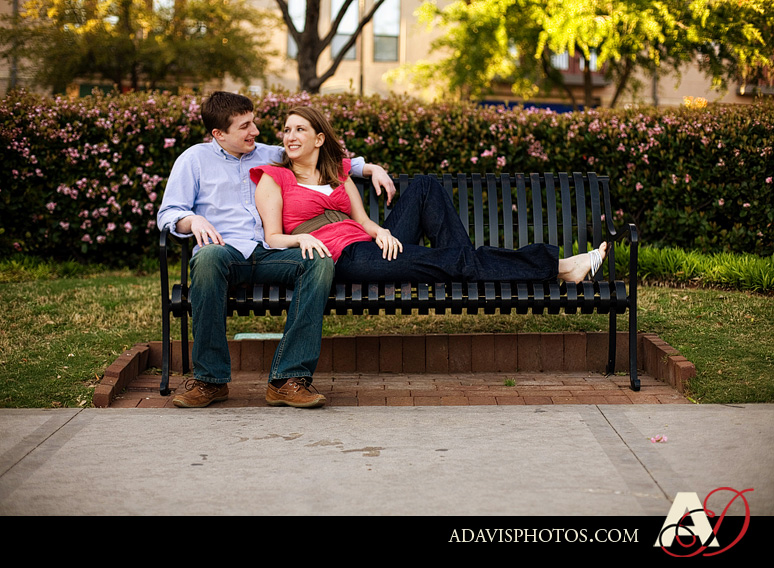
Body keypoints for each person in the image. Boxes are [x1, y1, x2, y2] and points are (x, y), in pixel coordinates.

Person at [157, 92, 395, 409]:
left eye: (253, 122)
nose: (255, 131)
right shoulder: (193, 160)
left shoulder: (268, 154)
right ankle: (209, 381)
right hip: (225, 252)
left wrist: (370, 169)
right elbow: (168, 213)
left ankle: (288, 380)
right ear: (219, 134)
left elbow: (323, 157)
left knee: (319, 259)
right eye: (245, 126)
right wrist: (191, 219)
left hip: (274, 250)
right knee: (207, 256)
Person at [251, 106, 607, 290]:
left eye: (300, 129)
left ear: (319, 139)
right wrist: (303, 237)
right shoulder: (275, 177)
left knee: (424, 186)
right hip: (345, 260)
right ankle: (560, 267)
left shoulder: (338, 173)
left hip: (372, 246)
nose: (290, 136)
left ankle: (466, 267)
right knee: (455, 261)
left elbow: (361, 221)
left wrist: (382, 232)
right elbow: (272, 238)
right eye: (286, 130)